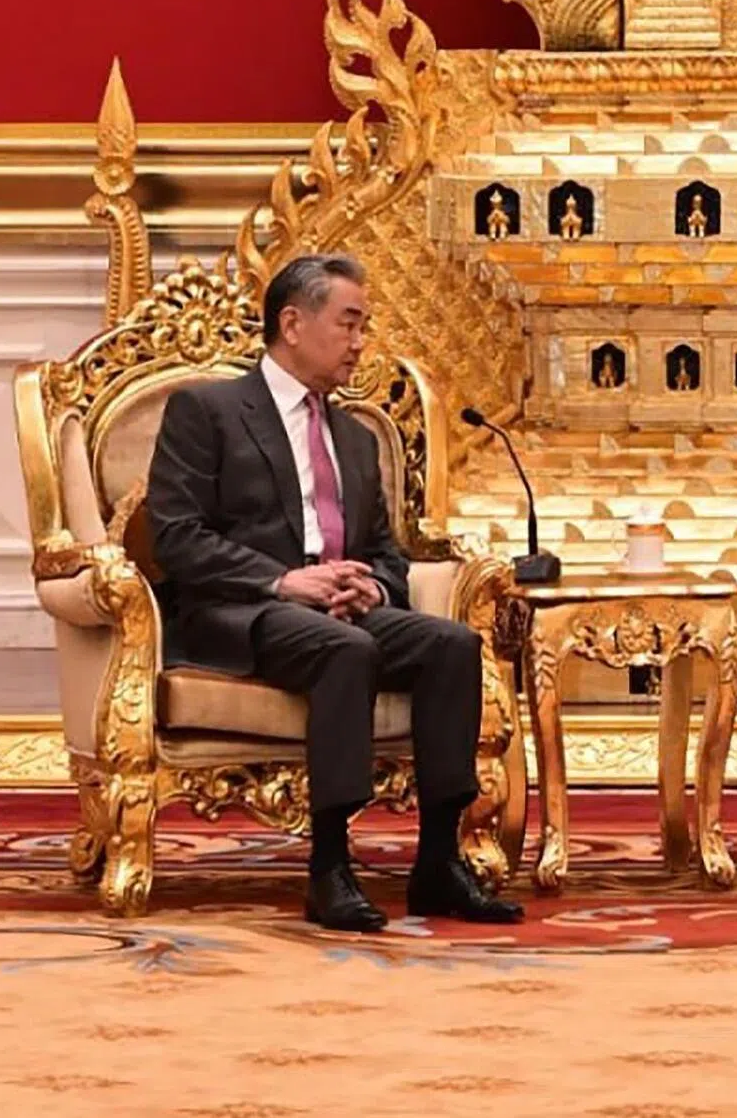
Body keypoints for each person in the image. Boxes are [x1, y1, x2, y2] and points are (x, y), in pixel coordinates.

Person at [145, 253, 524, 933]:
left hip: (340, 611)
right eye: (348, 324)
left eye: (364, 327)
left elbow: (386, 548)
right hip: (243, 611)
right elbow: (176, 537)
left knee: (451, 645)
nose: (360, 342)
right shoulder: (208, 410)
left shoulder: (353, 433)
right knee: (342, 650)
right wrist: (283, 580)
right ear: (292, 323)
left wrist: (371, 585)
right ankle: (329, 866)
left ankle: (439, 860)